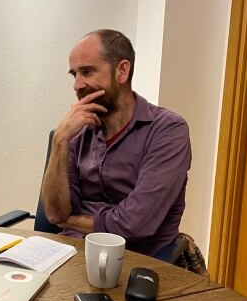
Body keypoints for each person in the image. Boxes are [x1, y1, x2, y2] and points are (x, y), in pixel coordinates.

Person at [41, 29, 191, 256]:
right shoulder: (76, 133)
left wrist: (69, 219)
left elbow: (133, 225)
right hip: (72, 254)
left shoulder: (167, 130)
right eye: (74, 75)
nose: (77, 85)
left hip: (137, 261)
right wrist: (60, 140)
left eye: (88, 72)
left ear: (122, 71)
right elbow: (54, 213)